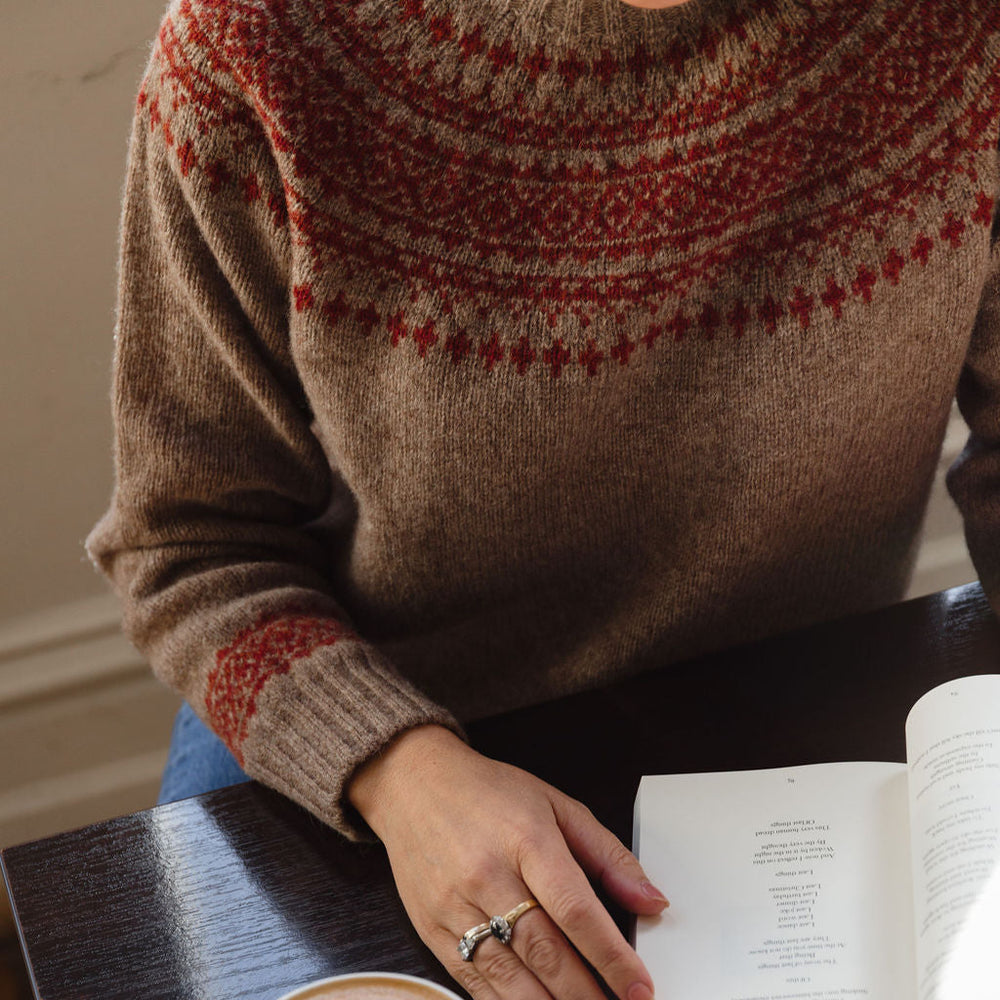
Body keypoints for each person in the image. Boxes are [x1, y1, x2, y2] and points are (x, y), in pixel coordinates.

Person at [87, 0, 1000, 997]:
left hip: (802, 732)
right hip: (368, 742)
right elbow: (188, 543)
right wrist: (400, 771)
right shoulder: (262, 42)